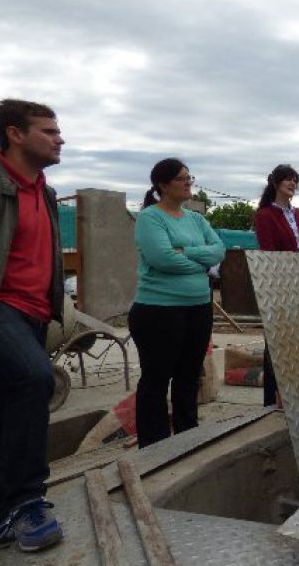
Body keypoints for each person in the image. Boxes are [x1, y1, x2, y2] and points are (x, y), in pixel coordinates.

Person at [0, 99, 66, 553]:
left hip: (34, 313)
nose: (59, 138)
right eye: (48, 130)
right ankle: (28, 501)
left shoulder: (44, 191)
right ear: (15, 134)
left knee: (0, 409)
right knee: (35, 377)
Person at [129, 158, 225, 448]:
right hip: (158, 311)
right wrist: (200, 264)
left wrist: (187, 251)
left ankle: (186, 437)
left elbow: (219, 251)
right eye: (182, 178)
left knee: (188, 376)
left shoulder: (196, 218)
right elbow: (162, 258)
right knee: (156, 380)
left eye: (189, 177)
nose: (188, 182)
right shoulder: (150, 217)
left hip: (197, 308)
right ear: (163, 184)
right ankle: (154, 446)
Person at [254, 164, 299, 405]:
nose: (292, 184)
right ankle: (272, 402)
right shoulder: (264, 216)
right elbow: (269, 254)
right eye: (287, 180)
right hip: (281, 289)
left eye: (295, 180)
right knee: (276, 346)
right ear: (275, 183)